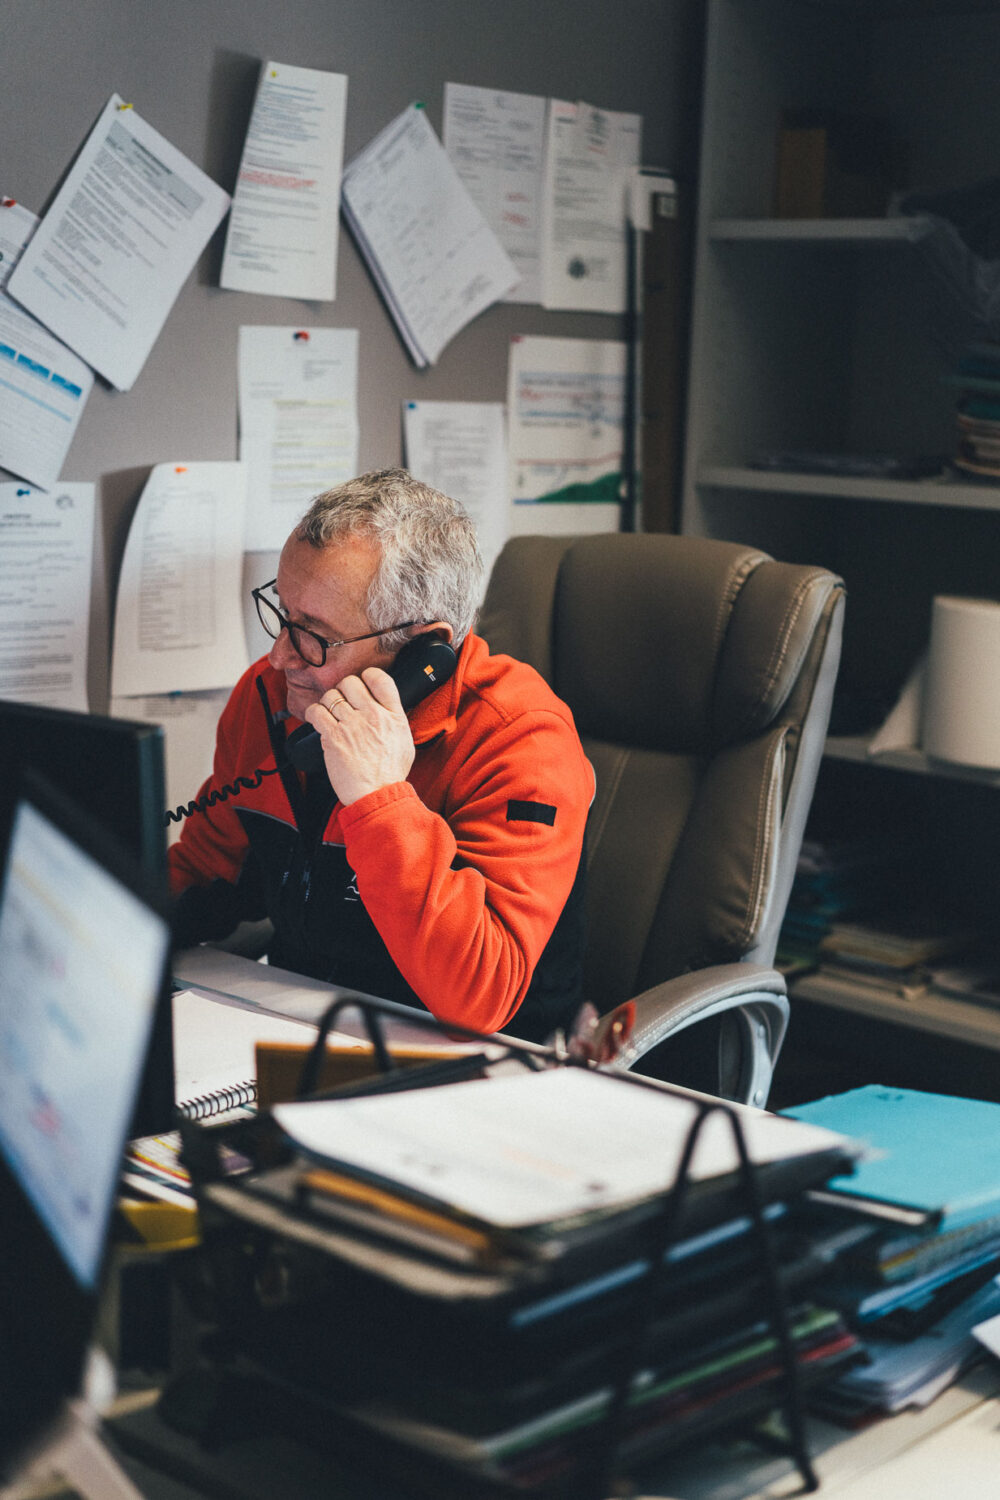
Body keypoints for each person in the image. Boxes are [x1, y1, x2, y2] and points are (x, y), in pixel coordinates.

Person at [169, 469, 594, 1042]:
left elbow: (481, 993)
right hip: (311, 1027)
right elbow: (203, 872)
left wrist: (377, 797)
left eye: (313, 634)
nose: (278, 656)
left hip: (490, 1062)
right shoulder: (272, 700)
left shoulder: (520, 739)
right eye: (282, 614)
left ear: (422, 650)